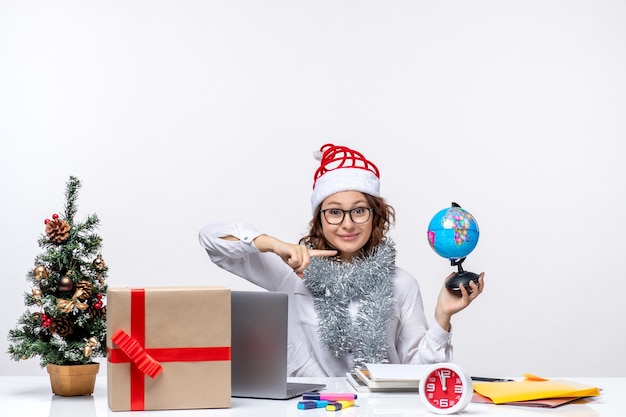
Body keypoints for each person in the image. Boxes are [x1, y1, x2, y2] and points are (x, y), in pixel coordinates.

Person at [198, 143, 484, 377]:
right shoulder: (292, 270)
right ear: (319, 221)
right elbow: (212, 240)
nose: (347, 224)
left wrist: (442, 316)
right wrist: (273, 245)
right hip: (309, 408)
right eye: (334, 212)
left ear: (376, 217)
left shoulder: (401, 283)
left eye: (359, 211)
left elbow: (419, 375)